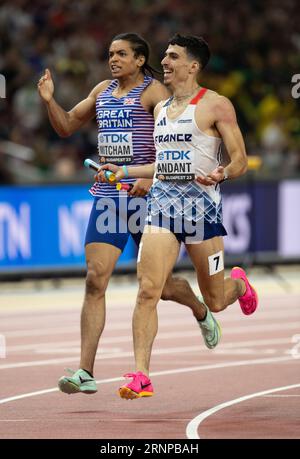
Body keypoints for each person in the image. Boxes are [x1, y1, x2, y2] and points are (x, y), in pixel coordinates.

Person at [38, 33, 220, 396]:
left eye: (122, 54)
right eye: (110, 54)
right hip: (109, 198)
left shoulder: (154, 94)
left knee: (163, 288)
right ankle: (85, 371)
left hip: (147, 199)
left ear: (140, 60)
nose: (113, 59)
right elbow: (66, 125)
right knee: (94, 278)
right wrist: (48, 101)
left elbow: (175, 143)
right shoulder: (103, 90)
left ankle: (200, 309)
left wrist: (149, 180)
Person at [99, 33, 258, 400]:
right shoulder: (160, 108)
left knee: (215, 300)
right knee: (148, 291)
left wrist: (222, 173)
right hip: (162, 210)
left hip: (201, 213)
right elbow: (165, 164)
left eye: (172, 56)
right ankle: (141, 375)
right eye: (165, 56)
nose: (165, 62)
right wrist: (126, 172)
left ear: (193, 65)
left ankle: (240, 285)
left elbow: (240, 160)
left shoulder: (216, 106)